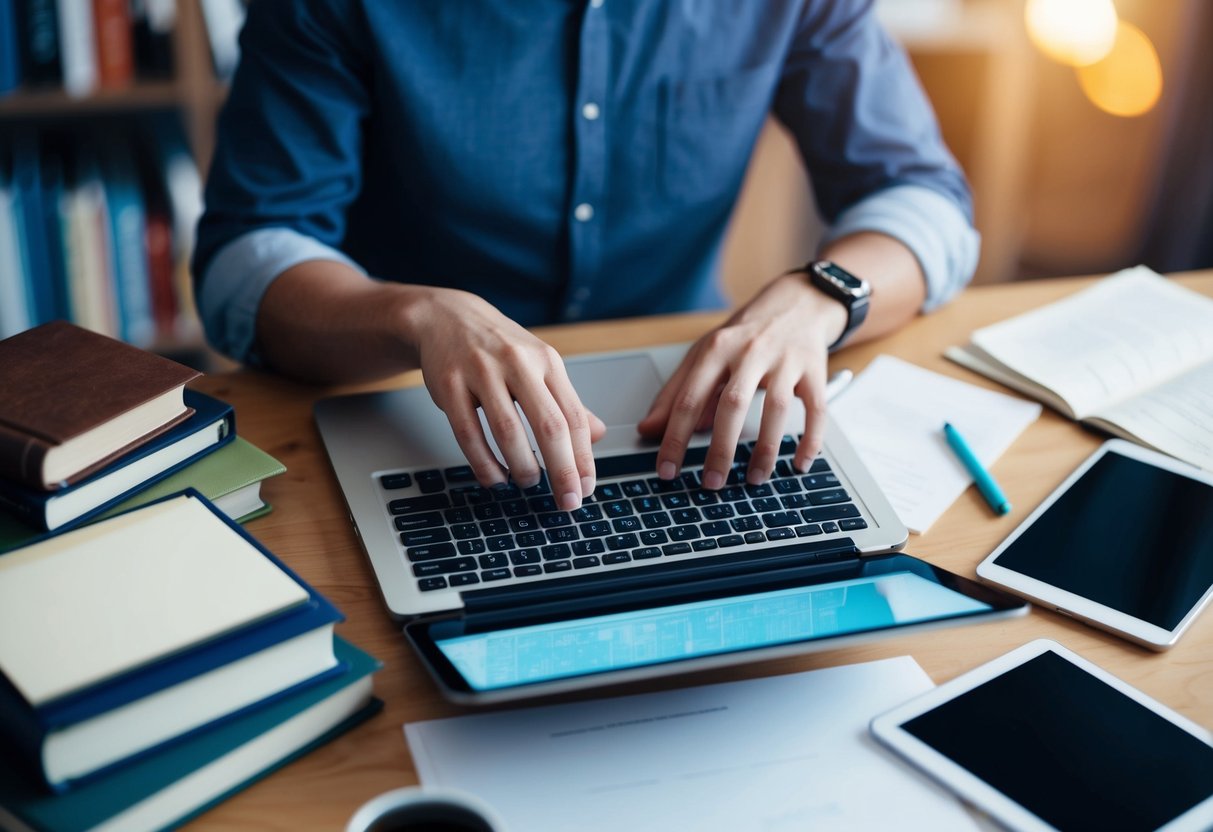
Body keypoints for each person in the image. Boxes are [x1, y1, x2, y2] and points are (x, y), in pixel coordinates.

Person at [194, 0, 978, 515]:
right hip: (407, 406)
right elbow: (244, 261)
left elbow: (923, 196)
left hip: (685, 402)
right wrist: (418, 314)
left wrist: (820, 294)